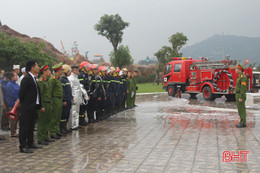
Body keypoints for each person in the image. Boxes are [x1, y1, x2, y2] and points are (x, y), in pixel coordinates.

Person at [19, 60, 43, 153]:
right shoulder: (27, 78)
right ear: (32, 67)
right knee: (24, 127)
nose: (38, 67)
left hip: (33, 106)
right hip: (27, 107)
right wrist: (25, 104)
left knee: (31, 126)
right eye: (37, 66)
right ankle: (22, 146)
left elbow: (37, 94)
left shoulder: (33, 78)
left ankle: (30, 143)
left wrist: (38, 105)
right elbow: (21, 94)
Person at [37, 65, 55, 145]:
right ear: (44, 71)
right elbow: (40, 94)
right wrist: (41, 105)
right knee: (42, 121)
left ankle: (45, 136)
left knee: (48, 120)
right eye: (48, 70)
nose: (50, 72)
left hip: (48, 102)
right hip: (43, 103)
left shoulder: (47, 80)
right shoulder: (41, 81)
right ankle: (40, 138)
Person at [49, 62, 64, 139]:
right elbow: (50, 90)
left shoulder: (58, 78)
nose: (62, 71)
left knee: (58, 116)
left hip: (59, 99)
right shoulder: (53, 79)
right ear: (58, 70)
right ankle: (53, 132)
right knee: (54, 116)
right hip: (54, 99)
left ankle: (57, 131)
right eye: (62, 70)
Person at [6, 72, 20, 137]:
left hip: (18, 103)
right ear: (12, 77)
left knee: (16, 118)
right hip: (12, 103)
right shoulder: (9, 85)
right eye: (15, 76)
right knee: (13, 118)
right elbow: (11, 94)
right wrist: (17, 99)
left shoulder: (16, 84)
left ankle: (15, 130)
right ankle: (13, 132)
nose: (16, 77)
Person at [60, 64, 73, 133]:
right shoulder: (62, 80)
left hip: (68, 99)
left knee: (67, 114)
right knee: (63, 114)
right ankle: (62, 128)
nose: (70, 72)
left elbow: (69, 90)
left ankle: (65, 127)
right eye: (69, 71)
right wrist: (64, 100)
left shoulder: (66, 79)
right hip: (65, 100)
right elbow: (63, 91)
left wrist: (71, 98)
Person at [235, 63, 248, 128]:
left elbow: (243, 88)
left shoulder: (243, 77)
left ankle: (243, 123)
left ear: (240, 70)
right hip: (238, 94)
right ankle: (242, 121)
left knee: (242, 109)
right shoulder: (240, 77)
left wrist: (241, 97)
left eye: (237, 69)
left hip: (240, 94)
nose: (235, 70)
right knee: (240, 109)